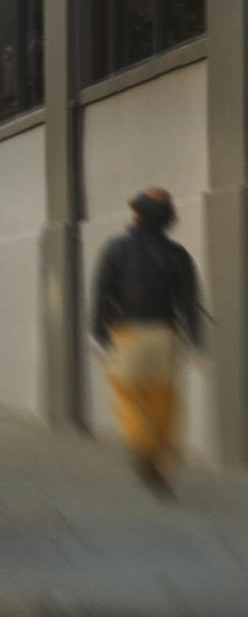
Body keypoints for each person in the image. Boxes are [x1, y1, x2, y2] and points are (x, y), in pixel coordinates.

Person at [90, 186, 208, 495]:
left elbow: (102, 294)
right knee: (164, 404)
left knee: (128, 396)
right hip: (165, 337)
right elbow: (189, 303)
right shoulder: (178, 254)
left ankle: (140, 444)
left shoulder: (116, 249)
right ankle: (162, 461)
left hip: (128, 336)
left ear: (137, 214)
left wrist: (98, 335)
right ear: (169, 218)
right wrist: (197, 344)